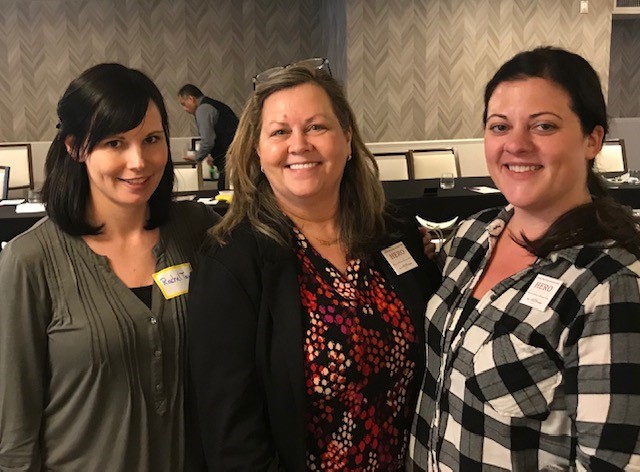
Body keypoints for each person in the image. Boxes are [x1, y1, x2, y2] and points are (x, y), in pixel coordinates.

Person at [187, 59, 440, 470]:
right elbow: (233, 439)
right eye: (280, 132)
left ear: (347, 136)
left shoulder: (397, 233)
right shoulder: (231, 263)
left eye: (317, 127)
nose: (299, 144)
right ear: (257, 149)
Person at [409, 46, 640, 470]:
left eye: (544, 126)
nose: (515, 144)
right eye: (500, 126)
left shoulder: (612, 286)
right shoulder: (472, 235)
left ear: (593, 139)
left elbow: (611, 462)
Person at [0, 63, 220, 471]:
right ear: (75, 147)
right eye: (115, 143)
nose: (139, 161)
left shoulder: (198, 231)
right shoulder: (29, 261)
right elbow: (16, 434)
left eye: (152, 139)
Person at [177, 84, 239, 190]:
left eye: (184, 104)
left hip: (230, 159)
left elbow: (208, 141)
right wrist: (211, 155)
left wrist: (197, 157)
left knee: (224, 193)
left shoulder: (203, 110)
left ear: (191, 99)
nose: (184, 109)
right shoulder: (215, 105)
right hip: (236, 155)